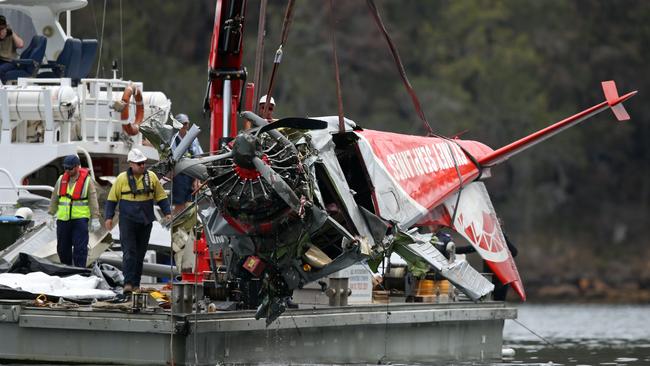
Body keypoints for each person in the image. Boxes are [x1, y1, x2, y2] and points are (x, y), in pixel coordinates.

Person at [104, 148, 171, 293]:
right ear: (131, 164)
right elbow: (111, 199)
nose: (142, 166)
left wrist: (167, 213)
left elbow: (161, 197)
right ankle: (128, 282)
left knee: (140, 254)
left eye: (143, 163)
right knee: (129, 252)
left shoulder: (151, 177)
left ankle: (136, 284)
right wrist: (108, 217)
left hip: (145, 221)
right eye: (139, 163)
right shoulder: (121, 179)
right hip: (127, 221)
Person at [48, 155, 101, 267]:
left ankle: (80, 272)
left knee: (80, 248)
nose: (67, 170)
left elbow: (93, 199)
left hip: (80, 220)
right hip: (63, 220)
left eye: (70, 168)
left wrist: (95, 218)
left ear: (77, 167)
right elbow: (54, 198)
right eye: (65, 168)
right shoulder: (61, 179)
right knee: (62, 249)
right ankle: (66, 269)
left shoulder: (87, 181)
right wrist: (51, 215)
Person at [170, 113, 203, 214]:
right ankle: (176, 225)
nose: (186, 126)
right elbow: (172, 159)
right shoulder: (173, 140)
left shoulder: (193, 138)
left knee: (191, 204)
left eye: (187, 124)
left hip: (192, 173)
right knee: (179, 204)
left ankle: (188, 227)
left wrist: (197, 179)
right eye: (183, 124)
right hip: (179, 175)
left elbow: (198, 157)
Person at [0, 15, 24, 83]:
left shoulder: (11, 36)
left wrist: (11, 31)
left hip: (10, 62)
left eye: (2, 29)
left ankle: (3, 88)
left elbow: (21, 45)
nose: (1, 33)